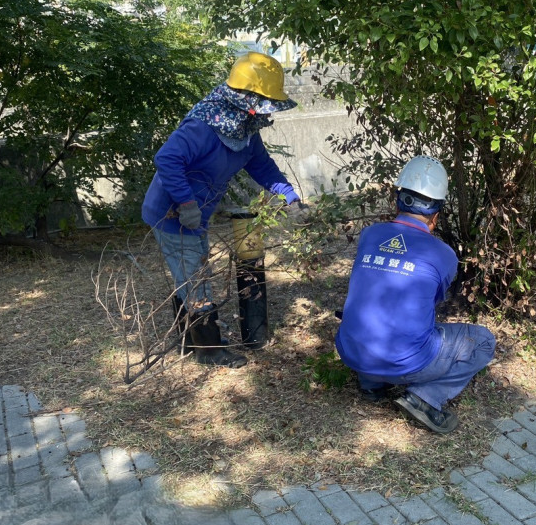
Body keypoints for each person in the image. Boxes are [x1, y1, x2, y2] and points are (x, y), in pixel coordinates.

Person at [142, 51, 302, 368]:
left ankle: (190, 342)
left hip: (196, 214)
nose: (267, 115)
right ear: (244, 98)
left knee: (191, 271)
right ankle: (209, 351)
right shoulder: (202, 127)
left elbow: (263, 167)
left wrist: (289, 197)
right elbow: (166, 159)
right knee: (196, 278)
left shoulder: (244, 132)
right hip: (172, 213)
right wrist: (185, 202)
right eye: (265, 104)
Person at [334, 156, 496, 433]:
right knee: (483, 341)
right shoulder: (443, 254)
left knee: (373, 319)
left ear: (397, 199)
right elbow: (429, 303)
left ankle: (372, 385)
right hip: (406, 362)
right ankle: (425, 398)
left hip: (351, 352)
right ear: (436, 215)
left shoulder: (371, 235)